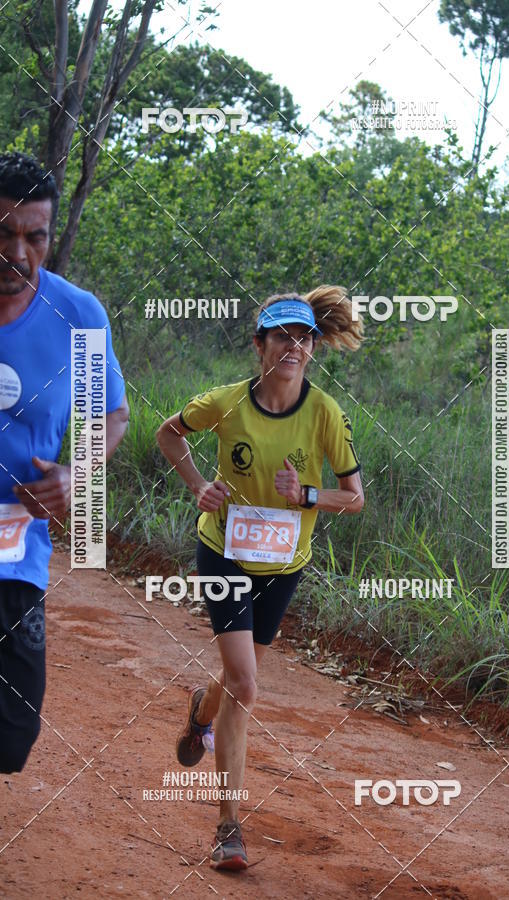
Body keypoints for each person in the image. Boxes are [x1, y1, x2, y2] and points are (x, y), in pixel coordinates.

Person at [156, 286, 364, 870]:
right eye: (281, 337)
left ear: (313, 348)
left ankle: (201, 713)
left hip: (283, 567)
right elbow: (168, 433)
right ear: (259, 344)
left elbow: (354, 498)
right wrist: (199, 485)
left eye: (303, 338)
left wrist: (307, 496)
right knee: (246, 686)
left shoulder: (325, 413)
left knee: (235, 679)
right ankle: (228, 826)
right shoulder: (226, 403)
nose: (292, 347)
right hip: (223, 554)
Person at [0, 152, 129, 773]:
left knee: (12, 734)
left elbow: (111, 415)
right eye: (3, 234)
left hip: (16, 546)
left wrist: (78, 471)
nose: (18, 254)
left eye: (35, 237)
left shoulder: (76, 316)